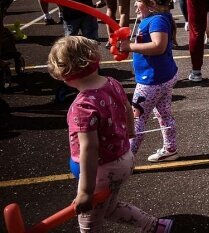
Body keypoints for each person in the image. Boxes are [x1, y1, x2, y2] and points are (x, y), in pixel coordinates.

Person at [47, 36, 173, 233]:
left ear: (65, 75)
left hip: (102, 171)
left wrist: (85, 192)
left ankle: (153, 225)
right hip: (124, 158)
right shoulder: (112, 83)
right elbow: (126, 108)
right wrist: (130, 132)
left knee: (89, 224)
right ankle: (154, 226)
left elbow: (89, 148)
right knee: (109, 206)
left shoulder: (82, 106)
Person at [118, 0, 179, 163]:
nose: (135, 5)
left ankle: (127, 160)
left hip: (151, 81)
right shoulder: (153, 18)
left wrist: (130, 47)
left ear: (150, 3)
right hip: (162, 76)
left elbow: (158, 46)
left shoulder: (157, 20)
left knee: (137, 120)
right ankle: (170, 148)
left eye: (137, 1)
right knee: (163, 113)